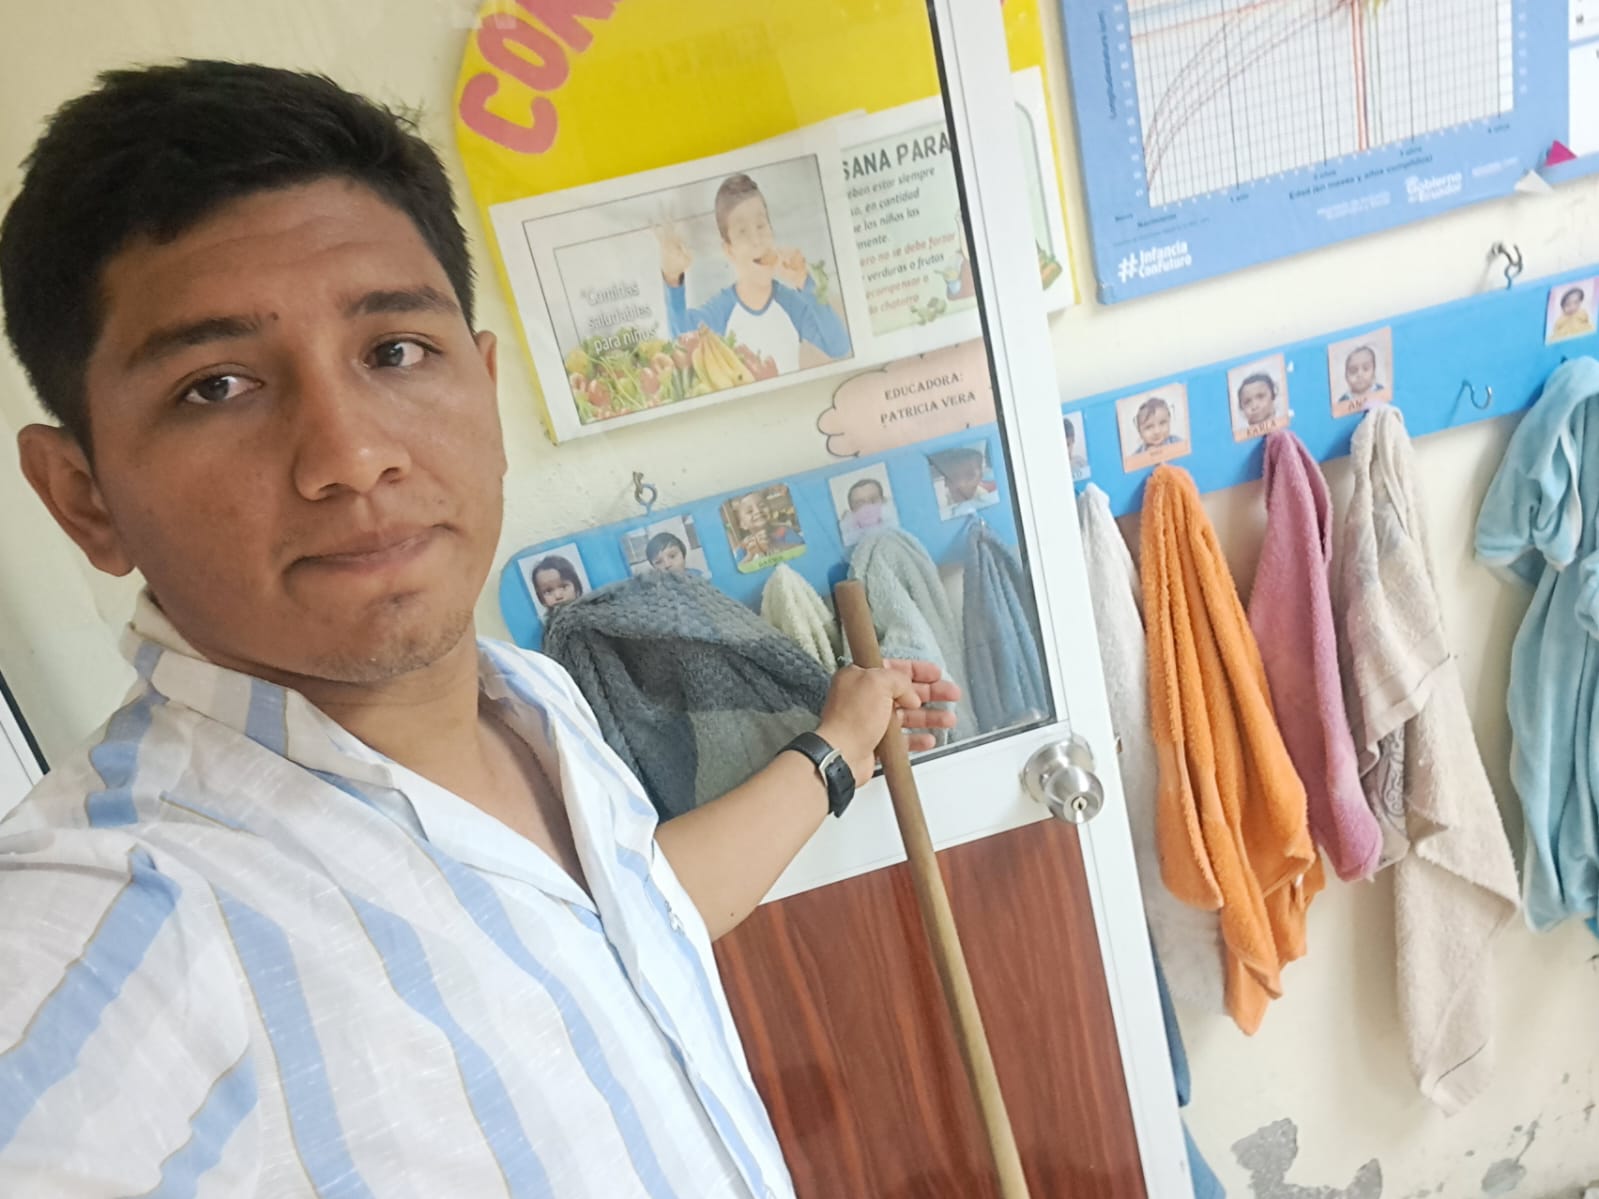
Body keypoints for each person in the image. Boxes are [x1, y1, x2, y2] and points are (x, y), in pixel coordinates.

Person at [0, 61, 960, 1197]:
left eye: (395, 350)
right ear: (85, 498)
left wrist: (839, 743)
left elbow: (624, 929)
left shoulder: (525, 695)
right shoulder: (118, 919)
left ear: (486, 388)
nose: (352, 454)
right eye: (216, 385)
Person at [657, 173, 850, 374]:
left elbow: (838, 347)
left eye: (761, 225)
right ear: (729, 250)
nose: (756, 240)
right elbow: (681, 343)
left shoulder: (791, 305)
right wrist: (672, 279)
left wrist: (804, 282)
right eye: (742, 232)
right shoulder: (721, 311)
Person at [931, 446, 999, 517]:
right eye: (954, 476)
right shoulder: (941, 505)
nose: (961, 484)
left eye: (970, 475)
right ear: (946, 482)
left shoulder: (986, 500)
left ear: (980, 477)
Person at [837, 475, 894, 545]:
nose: (868, 508)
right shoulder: (846, 540)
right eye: (860, 504)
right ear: (852, 510)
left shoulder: (896, 527)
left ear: (884, 501)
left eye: (873, 500)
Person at [1338, 344, 1387, 409]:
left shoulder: (1380, 390)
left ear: (1374, 371)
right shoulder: (1344, 400)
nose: (1360, 374)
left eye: (1365, 368)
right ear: (1346, 376)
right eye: (1353, 371)